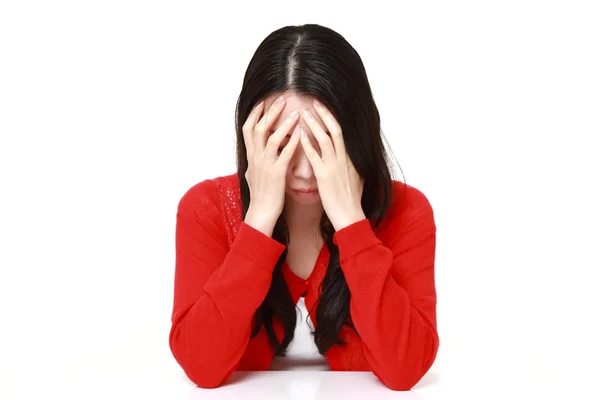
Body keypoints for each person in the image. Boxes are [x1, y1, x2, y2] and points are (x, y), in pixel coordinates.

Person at [168, 24, 438, 391]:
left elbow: (405, 369)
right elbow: (201, 367)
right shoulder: (206, 209)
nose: (305, 170)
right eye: (282, 144)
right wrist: (259, 220)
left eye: (322, 142)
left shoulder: (407, 211)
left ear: (357, 132)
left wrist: (351, 223)